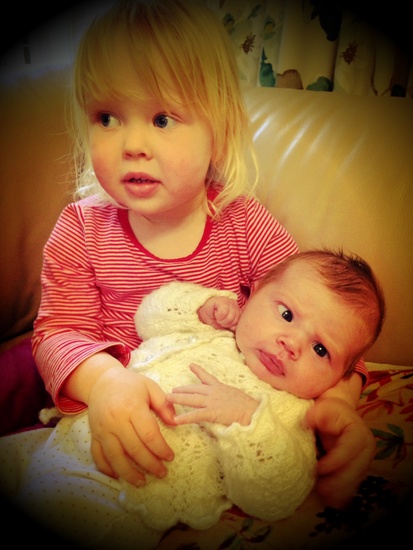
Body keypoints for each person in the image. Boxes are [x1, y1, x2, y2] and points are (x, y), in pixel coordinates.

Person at [12, 0, 373, 516]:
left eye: (162, 118)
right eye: (107, 117)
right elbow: (57, 333)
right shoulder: (79, 229)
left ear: (218, 132)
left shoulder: (245, 223)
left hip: (201, 438)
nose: (132, 144)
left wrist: (339, 405)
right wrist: (106, 382)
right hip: (100, 422)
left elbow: (329, 319)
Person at [0, 250, 386, 548]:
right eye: (286, 315)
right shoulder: (215, 327)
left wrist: (247, 421)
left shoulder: (291, 411)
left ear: (338, 378)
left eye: (321, 350)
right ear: (253, 295)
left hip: (121, 491)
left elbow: (278, 496)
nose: (292, 343)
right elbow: (148, 318)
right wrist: (201, 305)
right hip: (63, 438)